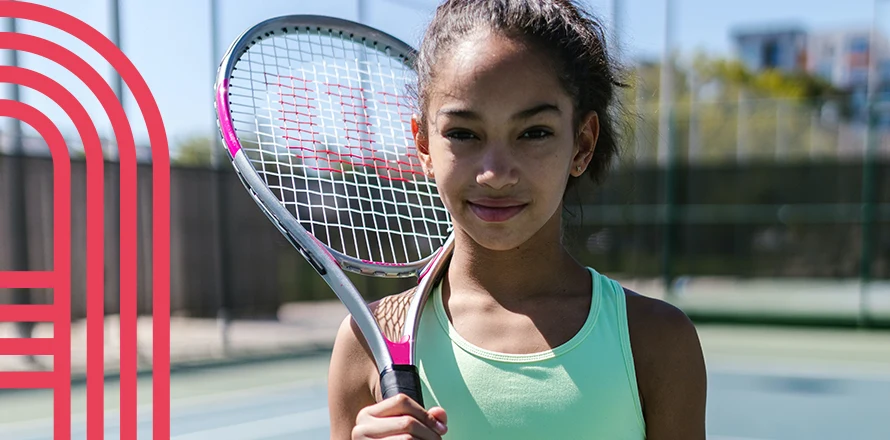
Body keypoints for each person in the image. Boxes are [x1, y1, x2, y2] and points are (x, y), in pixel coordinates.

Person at [327, 0, 707, 438]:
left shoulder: (657, 340)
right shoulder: (367, 344)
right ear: (424, 146)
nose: (495, 174)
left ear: (582, 145)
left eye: (534, 133)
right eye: (463, 134)